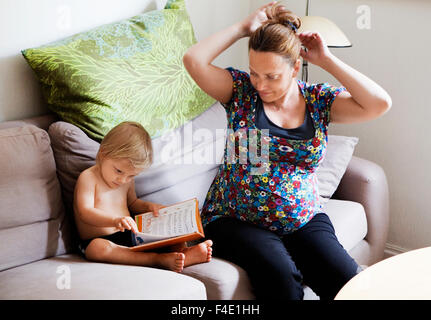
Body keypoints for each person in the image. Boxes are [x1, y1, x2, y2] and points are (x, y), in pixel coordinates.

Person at [183, 1, 391, 299]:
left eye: (272, 76)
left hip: (303, 216)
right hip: (235, 219)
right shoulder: (240, 91)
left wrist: (327, 60)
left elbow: (379, 104)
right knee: (282, 280)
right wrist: (243, 28)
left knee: (348, 283)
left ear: (295, 68)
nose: (260, 85)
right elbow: (193, 59)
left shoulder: (319, 101)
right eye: (255, 72)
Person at [73, 121, 213, 273]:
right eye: (118, 171)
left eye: (131, 175)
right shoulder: (88, 178)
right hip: (101, 240)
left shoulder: (126, 181)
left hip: (132, 237)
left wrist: (148, 207)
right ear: (103, 153)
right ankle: (156, 260)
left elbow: (133, 203)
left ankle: (183, 254)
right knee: (97, 248)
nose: (123, 180)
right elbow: (85, 212)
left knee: (170, 233)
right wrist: (114, 221)